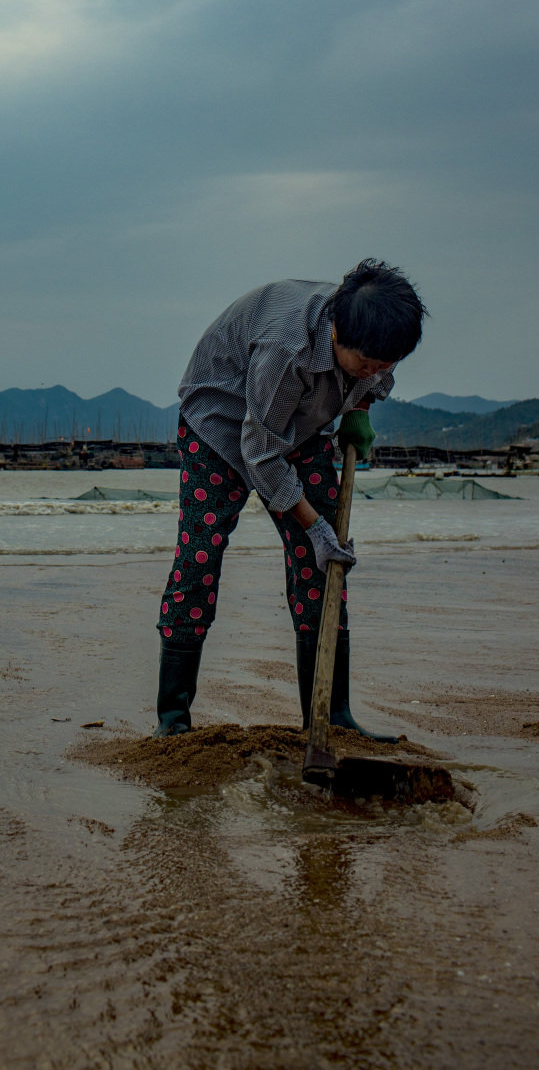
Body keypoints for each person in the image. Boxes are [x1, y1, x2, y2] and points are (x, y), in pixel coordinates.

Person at [154, 259, 427, 738]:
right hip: (219, 424)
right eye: (367, 363)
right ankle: (173, 722)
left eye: (387, 365)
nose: (377, 372)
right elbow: (259, 453)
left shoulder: (370, 333)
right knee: (200, 556)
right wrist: (313, 525)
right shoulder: (287, 349)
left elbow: (368, 378)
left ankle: (330, 717)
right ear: (338, 331)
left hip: (298, 429)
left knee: (323, 565)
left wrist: (359, 409)